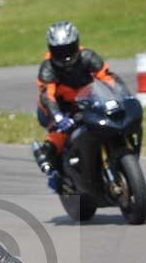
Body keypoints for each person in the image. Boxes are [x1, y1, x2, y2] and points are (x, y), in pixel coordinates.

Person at [33, 20, 116, 194]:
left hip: (87, 101)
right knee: (60, 134)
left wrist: (118, 97)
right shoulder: (48, 67)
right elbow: (47, 96)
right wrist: (57, 117)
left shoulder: (88, 56)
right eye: (59, 51)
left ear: (76, 44)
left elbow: (108, 78)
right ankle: (52, 168)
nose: (65, 56)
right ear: (51, 49)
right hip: (57, 109)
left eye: (68, 49)